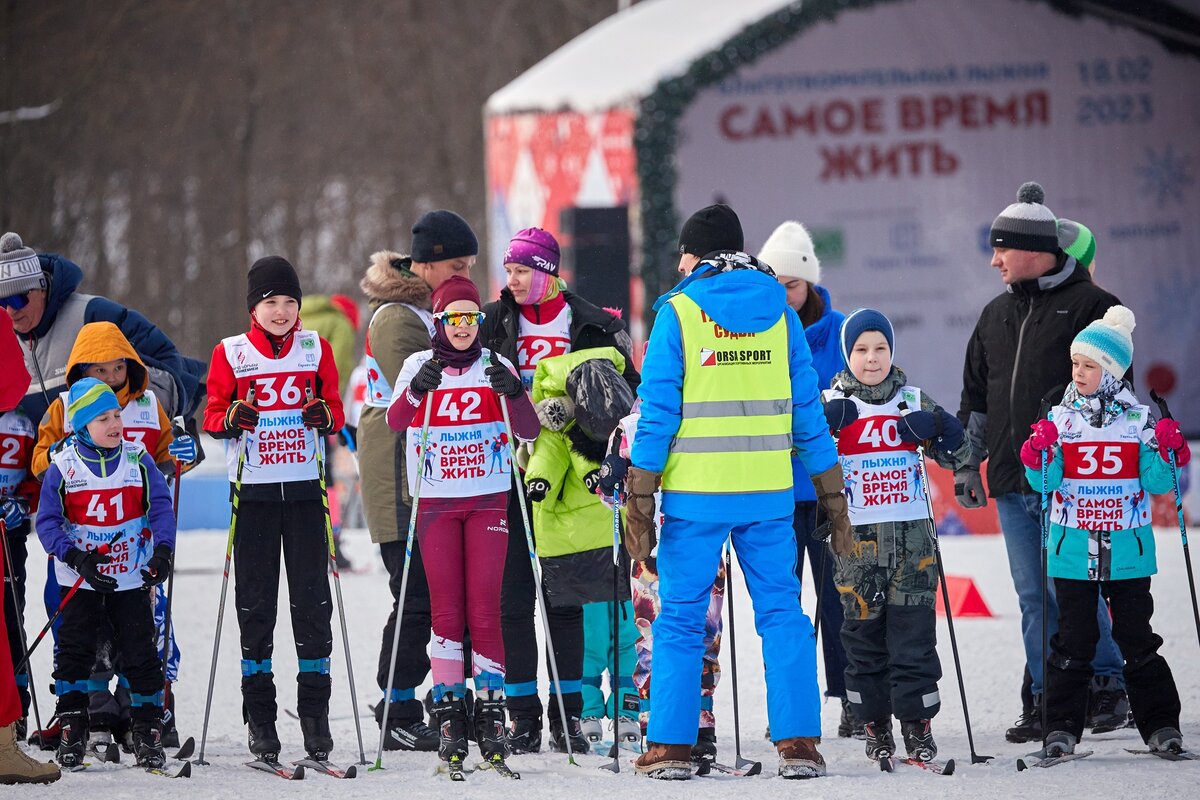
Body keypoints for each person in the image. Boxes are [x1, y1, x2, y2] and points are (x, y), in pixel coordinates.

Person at [626, 204, 850, 780]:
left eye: (683, 251)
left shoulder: (678, 313)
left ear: (698, 253)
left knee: (678, 617)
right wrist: (833, 495)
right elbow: (807, 412)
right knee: (782, 614)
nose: (678, 262)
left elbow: (656, 415)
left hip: (696, 499)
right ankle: (798, 744)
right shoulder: (781, 312)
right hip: (769, 496)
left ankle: (671, 747)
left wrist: (640, 497)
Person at [956, 182, 1129, 742]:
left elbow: (1114, 394)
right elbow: (976, 397)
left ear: (1034, 249)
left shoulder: (1093, 307)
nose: (994, 259)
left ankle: (1104, 684)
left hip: (1073, 482)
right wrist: (967, 464)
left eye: (1001, 248)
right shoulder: (993, 314)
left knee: (1075, 588)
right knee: (1034, 596)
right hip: (1010, 478)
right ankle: (1044, 695)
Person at [479, 227, 639, 751]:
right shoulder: (494, 321)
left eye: (523, 270)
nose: (514, 281)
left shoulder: (592, 321)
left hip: (573, 470)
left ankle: (568, 714)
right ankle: (524, 715)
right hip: (509, 467)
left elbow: (624, 399)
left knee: (566, 597)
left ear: (548, 271)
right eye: (509, 271)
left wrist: (574, 413)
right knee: (513, 593)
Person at [1020, 306, 1187, 757]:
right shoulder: (1061, 418)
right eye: (1075, 363)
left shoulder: (1136, 421)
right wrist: (1038, 454)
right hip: (1073, 550)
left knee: (1136, 638)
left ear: (1111, 371)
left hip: (1127, 551)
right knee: (1074, 642)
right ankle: (1060, 730)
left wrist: (1169, 450)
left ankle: (1161, 727)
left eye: (1089, 365)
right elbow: (1046, 483)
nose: (1078, 372)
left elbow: (1156, 481)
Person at [386, 275, 537, 769]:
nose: (463, 328)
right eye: (454, 319)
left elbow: (530, 429)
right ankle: (450, 712)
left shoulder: (495, 364)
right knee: (446, 612)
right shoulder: (417, 364)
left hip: (488, 500)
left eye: (471, 318)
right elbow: (395, 422)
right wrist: (416, 392)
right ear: (439, 321)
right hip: (436, 503)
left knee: (486, 609)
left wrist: (514, 392)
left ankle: (491, 716)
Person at [202, 256, 345, 764]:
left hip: (306, 492)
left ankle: (315, 719)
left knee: (312, 606)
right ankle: (260, 720)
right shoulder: (232, 352)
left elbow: (335, 408)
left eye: (289, 301)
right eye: (270, 302)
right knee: (256, 608)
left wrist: (325, 414)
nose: (281, 311)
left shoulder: (315, 347)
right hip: (255, 496)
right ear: (253, 308)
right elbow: (213, 412)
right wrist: (229, 418)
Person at [30, 321, 191, 755]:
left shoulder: (146, 409)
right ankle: (80, 722)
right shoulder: (65, 409)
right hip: (80, 568)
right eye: (96, 370)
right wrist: (67, 459)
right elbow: (43, 478)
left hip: (132, 563)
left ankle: (147, 724)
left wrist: (184, 456)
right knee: (79, 648)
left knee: (142, 646)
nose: (108, 376)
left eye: (116, 368)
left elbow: (164, 471)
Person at [822, 309, 970, 765]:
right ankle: (874, 725)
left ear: (892, 351)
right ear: (848, 354)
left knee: (914, 639)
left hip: (913, 544)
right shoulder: (832, 401)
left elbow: (957, 454)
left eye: (881, 348)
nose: (872, 359)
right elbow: (796, 460)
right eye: (862, 350)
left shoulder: (911, 400)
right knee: (863, 640)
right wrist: (822, 428)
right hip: (856, 546)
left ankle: (917, 726)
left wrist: (942, 431)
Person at [358, 211, 478, 751]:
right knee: (416, 595)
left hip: (427, 476)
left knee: (434, 594)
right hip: (401, 484)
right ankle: (397, 705)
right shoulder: (398, 318)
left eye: (470, 266)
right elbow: (433, 389)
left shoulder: (426, 312)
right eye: (456, 264)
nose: (464, 274)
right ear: (426, 263)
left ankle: (427, 699)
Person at [757, 220, 858, 739]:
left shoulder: (840, 331)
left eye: (791, 285)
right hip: (774, 490)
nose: (783, 294)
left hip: (824, 489)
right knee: (784, 608)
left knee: (841, 598)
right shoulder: (756, 327)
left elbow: (860, 396)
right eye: (773, 283)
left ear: (810, 284)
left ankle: (851, 698)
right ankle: (791, 710)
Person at [601, 404, 727, 770]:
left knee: (704, 636)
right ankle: (657, 728)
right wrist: (611, 478)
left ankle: (701, 728)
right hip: (649, 555)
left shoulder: (705, 412)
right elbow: (608, 498)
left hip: (702, 545)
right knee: (651, 643)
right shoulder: (628, 426)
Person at [523, 349, 637, 753]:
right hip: (576, 542)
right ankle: (587, 708)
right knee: (589, 638)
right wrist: (538, 482)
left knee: (626, 630)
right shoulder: (557, 433)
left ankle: (627, 704)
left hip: (614, 537)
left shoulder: (621, 427)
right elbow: (546, 459)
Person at [0, 232, 205, 427]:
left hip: (124, 452)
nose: (10, 311)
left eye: (19, 300)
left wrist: (163, 421)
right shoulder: (4, 338)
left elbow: (166, 358)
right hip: (57, 459)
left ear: (42, 288)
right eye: (3, 302)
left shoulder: (90, 315)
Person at [0, 320, 59, 784]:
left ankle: (14, 707)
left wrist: (28, 500)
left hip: (11, 531)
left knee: (11, 612)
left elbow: (39, 470)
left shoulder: (27, 413)